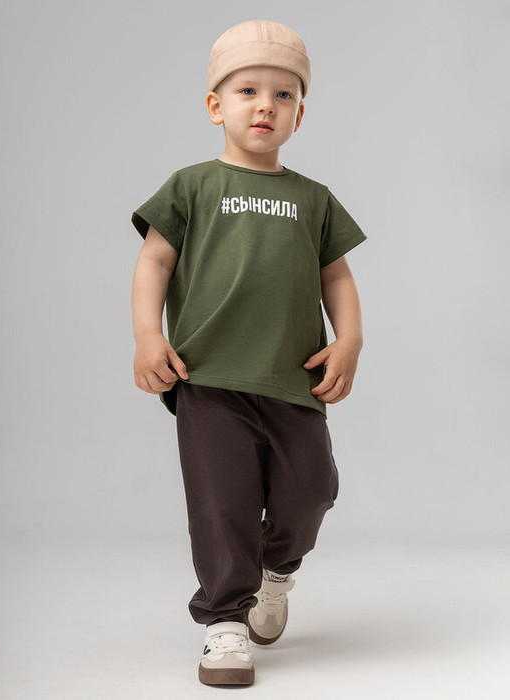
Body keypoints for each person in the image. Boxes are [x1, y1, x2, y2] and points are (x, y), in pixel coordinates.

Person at [130, 19, 367, 687]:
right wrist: (148, 334)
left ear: (299, 113)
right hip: (208, 377)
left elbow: (336, 278)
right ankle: (224, 622)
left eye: (283, 95)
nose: (265, 105)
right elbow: (153, 262)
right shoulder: (190, 187)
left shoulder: (313, 199)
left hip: (293, 380)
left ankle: (275, 573)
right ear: (216, 105)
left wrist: (349, 339)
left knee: (312, 491)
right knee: (223, 503)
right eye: (247, 91)